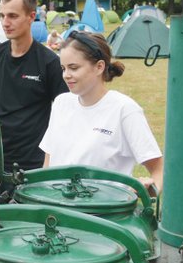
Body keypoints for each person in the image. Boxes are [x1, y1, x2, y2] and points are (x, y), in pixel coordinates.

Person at [39, 31, 163, 192]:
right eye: (63, 68)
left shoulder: (124, 110)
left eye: (73, 68)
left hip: (101, 215)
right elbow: (48, 163)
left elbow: (159, 169)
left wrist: (150, 190)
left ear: (99, 67)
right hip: (55, 212)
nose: (66, 75)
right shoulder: (61, 103)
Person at [0, 0, 68, 173]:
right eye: (2, 16)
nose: (5, 22)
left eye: (12, 16)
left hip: (33, 164)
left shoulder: (50, 63)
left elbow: (66, 114)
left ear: (31, 16)